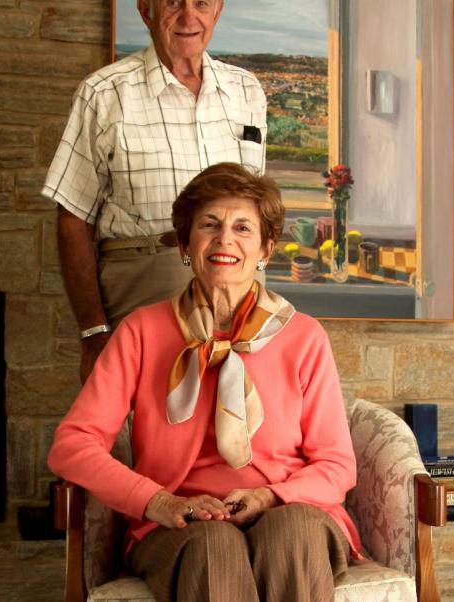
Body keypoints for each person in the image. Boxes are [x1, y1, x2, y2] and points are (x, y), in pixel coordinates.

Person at [48, 163, 361, 602]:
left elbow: (337, 465)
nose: (224, 239)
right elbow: (72, 445)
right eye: (209, 225)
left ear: (266, 249)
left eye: (242, 228)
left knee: (292, 529)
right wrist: (159, 502)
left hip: (292, 509)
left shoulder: (304, 336)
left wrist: (272, 496)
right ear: (184, 244)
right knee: (214, 546)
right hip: (181, 525)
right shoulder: (142, 332)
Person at [42, 0, 267, 383]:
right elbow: (72, 218)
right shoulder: (104, 94)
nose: (189, 16)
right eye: (173, 2)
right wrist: (93, 331)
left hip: (238, 293)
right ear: (146, 11)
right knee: (146, 432)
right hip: (144, 281)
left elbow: (255, 209)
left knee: (237, 431)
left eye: (201, 3)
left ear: (217, 12)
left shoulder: (248, 92)